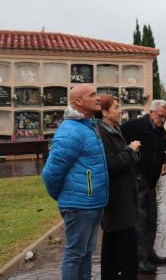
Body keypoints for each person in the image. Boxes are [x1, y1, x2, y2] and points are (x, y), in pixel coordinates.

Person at [41, 84, 108, 280]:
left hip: (93, 202)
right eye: (93, 95)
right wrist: (64, 197)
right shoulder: (70, 130)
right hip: (79, 205)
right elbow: (50, 173)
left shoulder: (88, 124)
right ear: (78, 102)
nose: (98, 98)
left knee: (86, 252)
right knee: (74, 254)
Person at [121, 99, 166, 274]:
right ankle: (140, 260)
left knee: (151, 220)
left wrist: (165, 161)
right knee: (139, 223)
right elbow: (121, 148)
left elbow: (161, 152)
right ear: (151, 112)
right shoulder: (132, 126)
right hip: (137, 181)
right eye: (160, 116)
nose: (162, 120)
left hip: (151, 182)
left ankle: (149, 253)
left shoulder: (160, 131)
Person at [96, 95, 141, 279]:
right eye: (116, 107)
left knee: (113, 243)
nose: (120, 109)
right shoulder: (102, 133)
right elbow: (111, 164)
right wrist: (130, 150)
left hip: (122, 197)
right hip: (116, 199)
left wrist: (133, 153)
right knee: (125, 246)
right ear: (105, 112)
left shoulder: (114, 129)